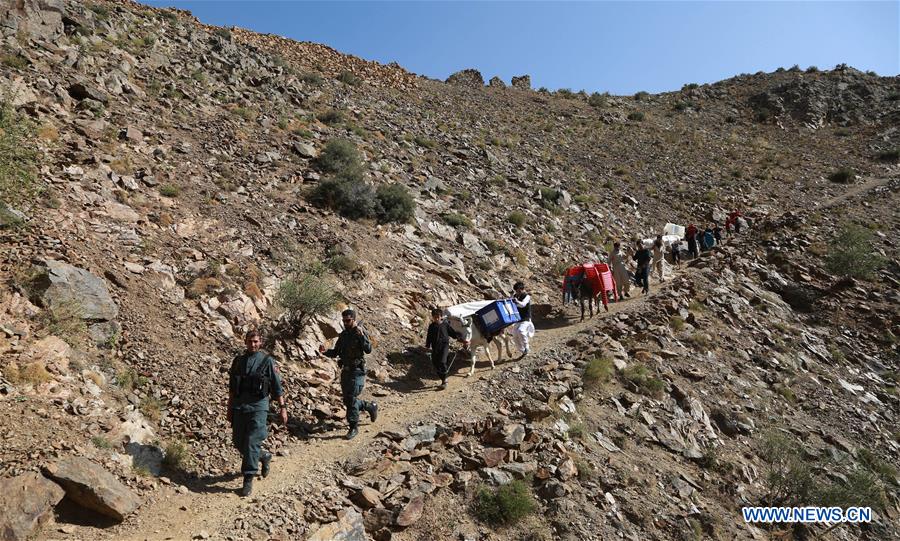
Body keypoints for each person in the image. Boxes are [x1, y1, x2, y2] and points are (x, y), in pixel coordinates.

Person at [227, 330, 287, 497]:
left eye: (255, 341)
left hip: (259, 406)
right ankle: (264, 456)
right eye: (250, 341)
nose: (252, 344)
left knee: (252, 440)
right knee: (238, 441)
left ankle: (248, 478)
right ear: (245, 342)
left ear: (260, 342)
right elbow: (232, 388)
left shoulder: (268, 361)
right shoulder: (238, 361)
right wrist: (229, 409)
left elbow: (277, 387)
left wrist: (283, 407)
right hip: (240, 406)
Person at [318, 309, 377, 440]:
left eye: (348, 320)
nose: (345, 323)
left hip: (357, 371)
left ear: (354, 320)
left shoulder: (360, 332)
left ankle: (353, 426)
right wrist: (325, 351)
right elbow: (336, 352)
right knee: (348, 399)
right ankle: (370, 407)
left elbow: (368, 349)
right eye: (344, 321)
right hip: (346, 371)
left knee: (351, 398)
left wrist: (362, 336)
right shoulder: (344, 335)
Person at [425, 308, 467, 390]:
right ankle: (443, 378)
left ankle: (444, 381)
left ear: (441, 316)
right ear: (433, 317)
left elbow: (453, 333)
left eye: (438, 317)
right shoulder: (431, 326)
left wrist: (461, 339)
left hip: (444, 346)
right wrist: (427, 345)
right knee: (435, 363)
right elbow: (429, 337)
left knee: (442, 362)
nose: (436, 319)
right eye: (435, 317)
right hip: (435, 347)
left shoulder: (445, 325)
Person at [511, 282, 535, 356]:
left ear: (522, 289)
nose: (517, 292)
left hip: (526, 319)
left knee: (521, 331)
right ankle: (522, 350)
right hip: (518, 319)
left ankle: (527, 347)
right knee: (515, 335)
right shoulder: (515, 296)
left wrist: (516, 301)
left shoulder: (527, 296)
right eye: (516, 291)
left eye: (518, 290)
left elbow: (523, 305)